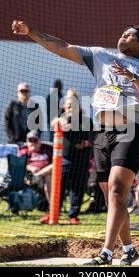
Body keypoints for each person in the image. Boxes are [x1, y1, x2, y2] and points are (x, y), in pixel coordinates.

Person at [12, 20, 139, 266]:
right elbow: (63, 47)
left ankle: (106, 252)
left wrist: (133, 78)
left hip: (132, 129)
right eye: (122, 32)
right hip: (102, 131)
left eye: (129, 35)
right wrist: (31, 33)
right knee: (111, 196)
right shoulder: (101, 56)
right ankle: (129, 248)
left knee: (116, 189)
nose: (123, 36)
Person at [52, 95, 93, 225]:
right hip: (65, 160)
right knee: (59, 187)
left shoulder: (86, 120)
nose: (71, 108)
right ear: (64, 107)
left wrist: (84, 144)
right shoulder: (62, 118)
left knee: (77, 189)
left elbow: (94, 138)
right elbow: (53, 123)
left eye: (73, 106)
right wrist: (59, 120)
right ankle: (53, 213)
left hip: (81, 160)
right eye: (68, 105)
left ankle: (73, 216)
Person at [18, 130, 53, 223]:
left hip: (46, 176)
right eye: (30, 141)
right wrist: (30, 167)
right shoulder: (24, 151)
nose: (33, 143)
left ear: (40, 141)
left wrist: (40, 172)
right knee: (43, 177)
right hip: (29, 178)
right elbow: (19, 165)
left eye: (35, 140)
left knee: (49, 176)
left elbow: (56, 163)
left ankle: (52, 210)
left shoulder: (47, 149)